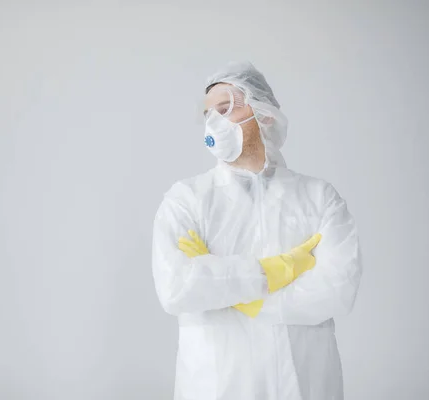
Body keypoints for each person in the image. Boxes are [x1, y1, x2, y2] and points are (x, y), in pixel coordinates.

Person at [151, 61, 362, 400]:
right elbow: (177, 288)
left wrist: (232, 294)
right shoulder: (186, 200)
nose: (213, 123)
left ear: (263, 113)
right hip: (217, 386)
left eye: (225, 108)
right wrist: (276, 272)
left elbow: (339, 288)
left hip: (305, 385)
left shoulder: (319, 198)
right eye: (208, 114)